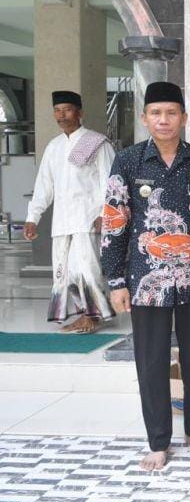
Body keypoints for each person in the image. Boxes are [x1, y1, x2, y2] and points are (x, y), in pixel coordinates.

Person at [100, 81, 190, 471]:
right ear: (144, 117)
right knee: (150, 361)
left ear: (184, 118)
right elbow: (115, 223)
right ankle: (158, 441)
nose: (164, 120)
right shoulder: (128, 161)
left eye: (171, 113)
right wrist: (116, 281)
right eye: (156, 113)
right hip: (145, 279)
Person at [25, 91, 115, 333]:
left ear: (80, 113)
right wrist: (33, 217)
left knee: (85, 267)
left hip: (88, 219)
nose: (61, 115)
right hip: (62, 221)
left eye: (67, 109)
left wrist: (105, 214)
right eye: (57, 110)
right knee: (63, 272)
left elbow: (110, 182)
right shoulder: (53, 147)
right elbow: (44, 185)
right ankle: (87, 312)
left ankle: (93, 315)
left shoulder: (95, 142)